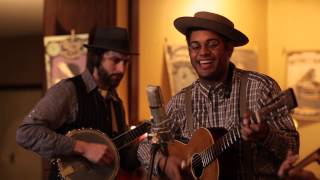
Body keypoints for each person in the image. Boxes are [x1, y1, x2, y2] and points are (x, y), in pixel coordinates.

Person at [137, 11, 300, 179]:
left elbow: (293, 148)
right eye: (195, 46)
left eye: (212, 44)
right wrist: (163, 163)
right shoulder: (180, 102)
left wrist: (266, 134)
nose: (203, 53)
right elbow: (144, 147)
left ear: (229, 48)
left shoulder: (260, 88)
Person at [16, 27, 140, 179]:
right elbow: (26, 133)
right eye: (115, 60)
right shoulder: (68, 90)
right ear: (96, 58)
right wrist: (83, 148)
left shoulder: (116, 102)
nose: (121, 69)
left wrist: (150, 148)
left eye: (126, 62)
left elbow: (124, 157)